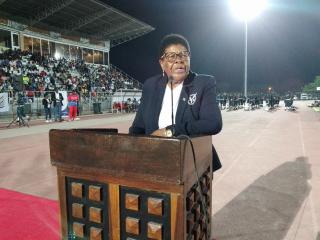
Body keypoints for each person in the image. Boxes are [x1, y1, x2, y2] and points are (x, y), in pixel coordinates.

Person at [129, 33, 223, 172]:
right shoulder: (150, 86)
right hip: (154, 163)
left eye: (183, 54)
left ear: (189, 58)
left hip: (192, 166)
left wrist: (171, 131)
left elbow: (213, 123)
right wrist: (133, 151)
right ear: (162, 63)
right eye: (172, 56)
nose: (179, 60)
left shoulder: (203, 83)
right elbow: (138, 127)